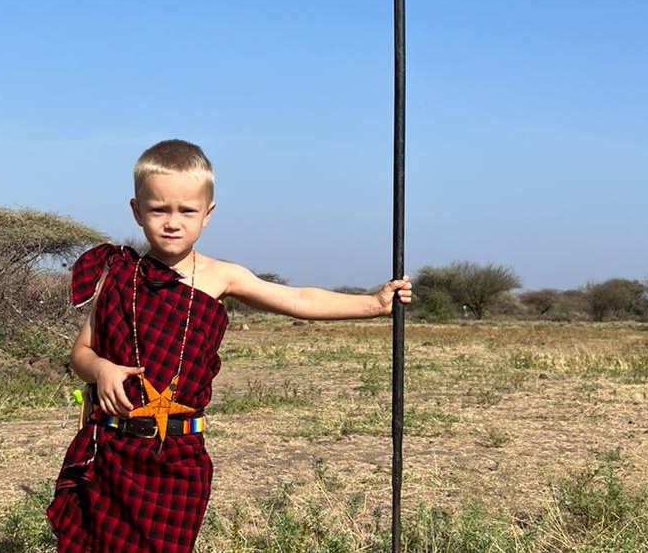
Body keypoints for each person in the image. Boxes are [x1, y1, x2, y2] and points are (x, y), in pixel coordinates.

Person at [47, 139, 412, 553]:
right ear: (136, 210)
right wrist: (100, 370)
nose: (172, 222)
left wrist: (373, 305)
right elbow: (81, 352)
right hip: (112, 448)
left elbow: (299, 301)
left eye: (187, 210)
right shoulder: (116, 275)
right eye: (158, 209)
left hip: (176, 456)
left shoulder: (221, 277)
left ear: (208, 214)